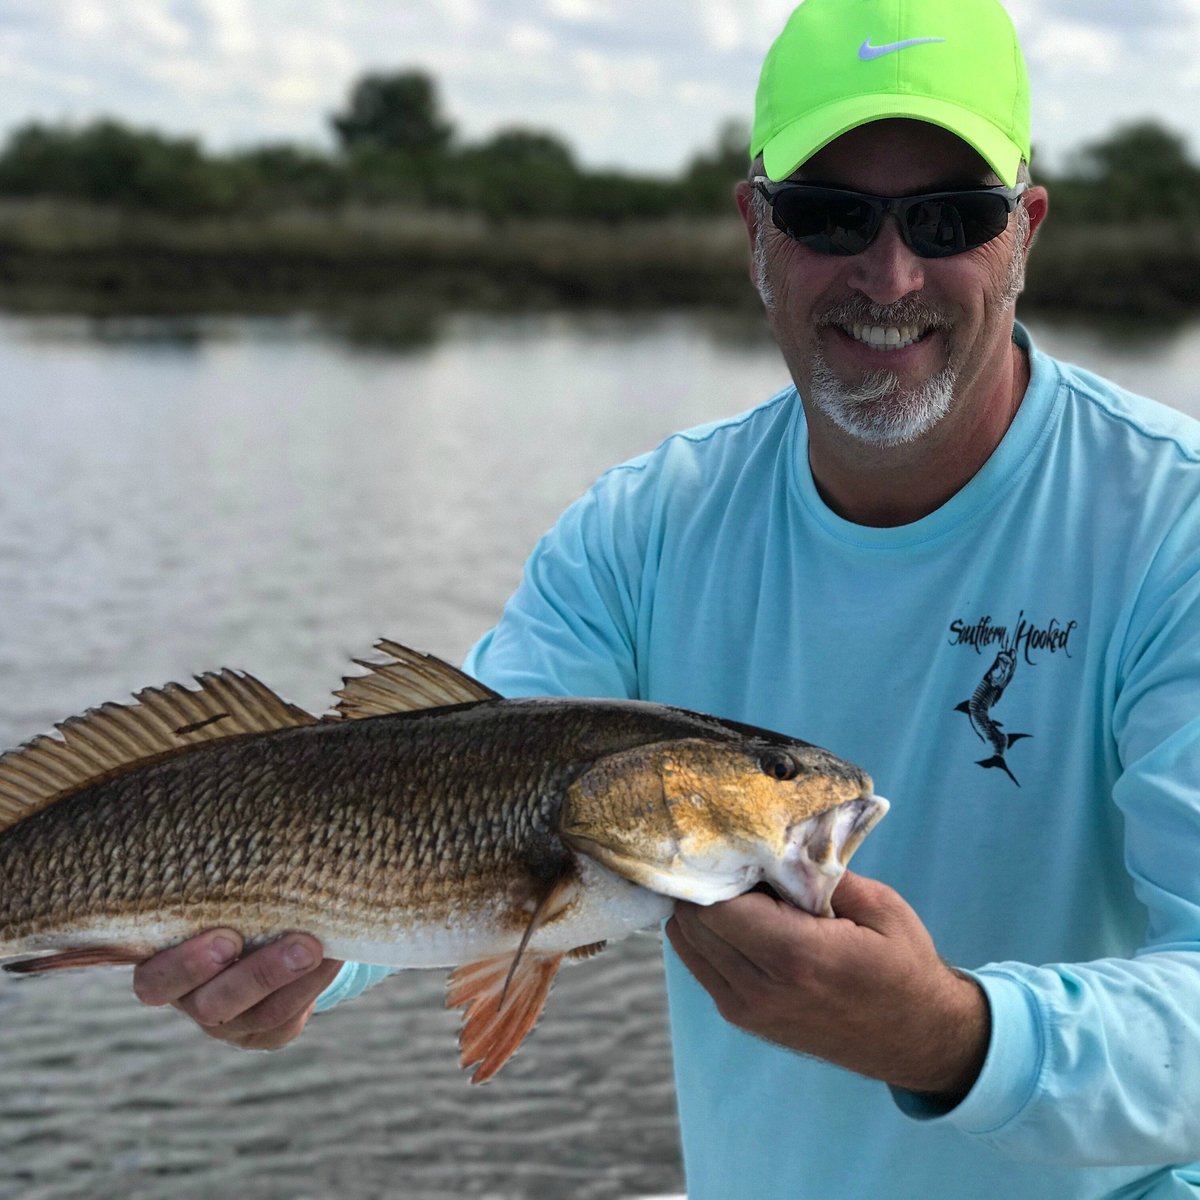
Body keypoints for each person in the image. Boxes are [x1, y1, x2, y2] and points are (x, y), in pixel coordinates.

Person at [131, 0, 1200, 1195]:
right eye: (827, 214)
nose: (889, 272)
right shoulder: (646, 527)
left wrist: (954, 1040)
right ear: (757, 226)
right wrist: (301, 962)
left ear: (1025, 232)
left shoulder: (1175, 528)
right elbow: (438, 808)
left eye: (951, 216)